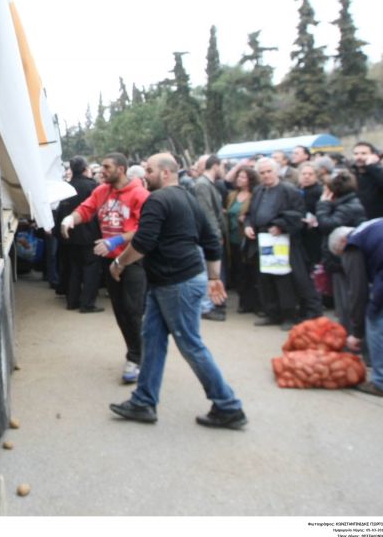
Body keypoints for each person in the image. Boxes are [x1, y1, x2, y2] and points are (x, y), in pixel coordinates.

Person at [107, 153, 246, 428]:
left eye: (149, 169)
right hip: (171, 282)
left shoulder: (157, 199)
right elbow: (211, 240)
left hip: (176, 284)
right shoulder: (187, 198)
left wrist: (119, 263)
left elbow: (144, 242)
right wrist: (214, 277)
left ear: (166, 173)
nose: (143, 175)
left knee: (190, 344)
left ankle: (228, 406)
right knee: (153, 339)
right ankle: (144, 402)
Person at [60, 153, 150, 383]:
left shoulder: (140, 194)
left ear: (121, 169)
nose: (102, 171)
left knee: (133, 311)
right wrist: (70, 219)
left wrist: (117, 240)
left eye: (107, 167)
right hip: (110, 262)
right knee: (121, 312)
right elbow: (86, 209)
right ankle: (135, 353)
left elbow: (146, 228)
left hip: (132, 261)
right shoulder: (101, 191)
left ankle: (138, 358)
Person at [244, 158, 323, 330]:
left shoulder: (289, 190)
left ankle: (289, 315)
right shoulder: (258, 191)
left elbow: (298, 215)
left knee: (283, 279)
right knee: (265, 278)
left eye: (269, 171)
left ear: (277, 171)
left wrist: (281, 226)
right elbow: (250, 213)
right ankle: (272, 312)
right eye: (262, 172)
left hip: (284, 240)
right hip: (262, 239)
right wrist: (248, 225)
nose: (266, 175)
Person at [330, 219, 383, 398]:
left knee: (377, 322)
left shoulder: (352, 244)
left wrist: (357, 333)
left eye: (341, 255)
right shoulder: (369, 227)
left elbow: (357, 292)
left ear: (342, 243)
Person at [315, 173, 367, 331]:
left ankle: (351, 335)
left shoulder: (348, 207)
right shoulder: (347, 204)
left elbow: (326, 224)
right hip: (339, 259)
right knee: (344, 301)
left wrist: (322, 206)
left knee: (346, 301)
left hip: (342, 260)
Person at [56, 157, 102, 312]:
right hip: (91, 234)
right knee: (91, 268)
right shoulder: (93, 187)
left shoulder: (66, 188)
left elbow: (60, 212)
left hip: (70, 235)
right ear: (85, 169)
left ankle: (72, 301)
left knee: (74, 268)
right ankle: (87, 303)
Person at [193, 154, 229, 320]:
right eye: (222, 166)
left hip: (211, 235)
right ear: (215, 165)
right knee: (210, 273)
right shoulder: (202, 185)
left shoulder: (207, 184)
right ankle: (207, 307)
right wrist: (215, 235)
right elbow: (207, 213)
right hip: (209, 237)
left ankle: (211, 304)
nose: (224, 171)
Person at [226, 167, 261, 315]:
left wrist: (245, 219)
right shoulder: (232, 195)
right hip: (233, 238)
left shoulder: (255, 195)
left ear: (250, 180)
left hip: (247, 238)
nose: (240, 179)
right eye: (239, 177)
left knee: (252, 271)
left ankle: (256, 304)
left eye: (243, 177)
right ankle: (244, 302)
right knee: (239, 271)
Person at [351, 142, 383, 219]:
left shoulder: (381, 172)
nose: (359, 157)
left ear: (373, 155)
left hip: (382, 219)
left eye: (363, 153)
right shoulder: (351, 174)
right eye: (356, 154)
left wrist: (371, 166)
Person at [298, 162, 324, 269]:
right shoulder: (296, 190)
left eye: (310, 174)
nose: (306, 176)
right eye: (304, 174)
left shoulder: (319, 191)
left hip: (314, 233)